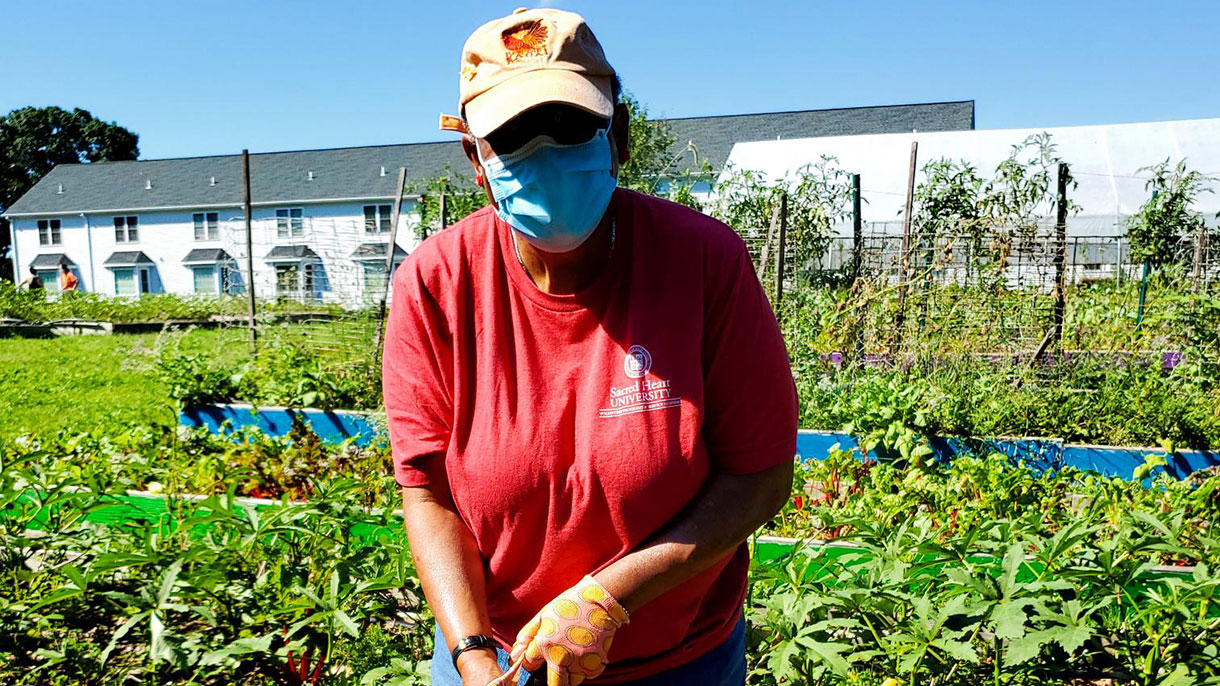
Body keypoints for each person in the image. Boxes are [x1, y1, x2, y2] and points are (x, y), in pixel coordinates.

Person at [382, 8, 796, 686]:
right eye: (513, 137)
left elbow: (760, 475)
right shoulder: (437, 282)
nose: (544, 152)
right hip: (498, 653)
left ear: (618, 135)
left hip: (677, 662)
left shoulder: (702, 263)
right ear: (477, 160)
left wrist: (611, 596)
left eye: (569, 125)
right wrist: (472, 657)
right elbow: (427, 492)